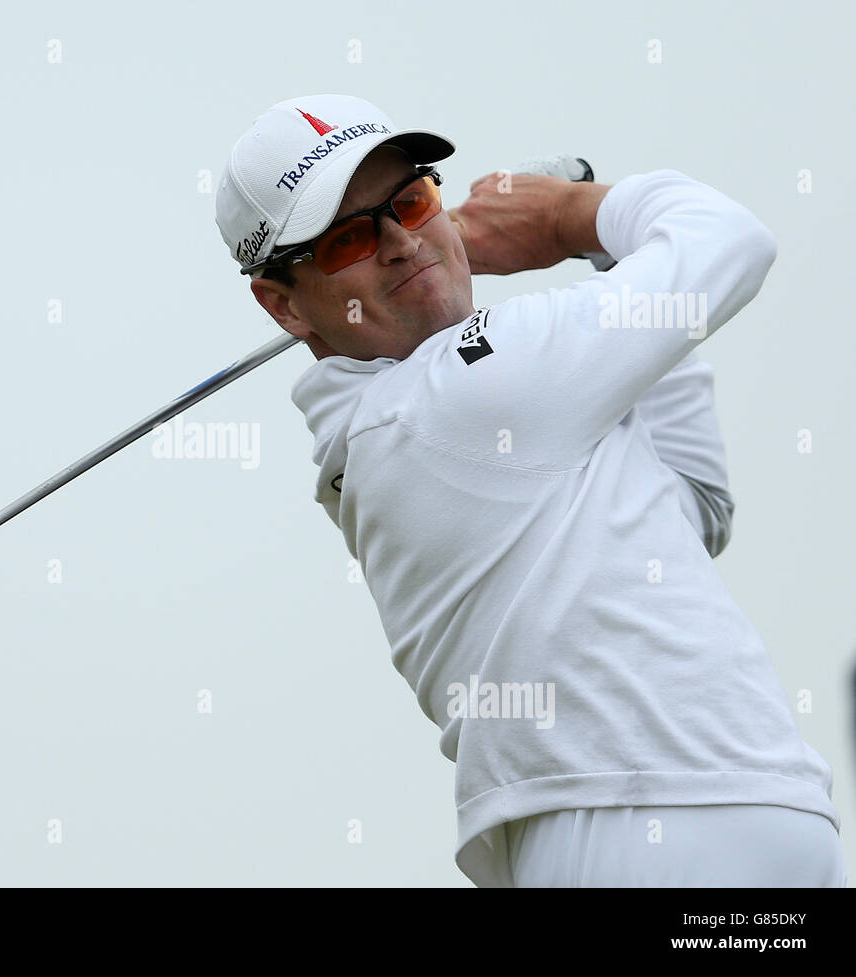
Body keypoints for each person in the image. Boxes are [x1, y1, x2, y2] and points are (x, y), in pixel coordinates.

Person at [214, 92, 846, 887]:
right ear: (282, 304)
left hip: (697, 822)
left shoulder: (431, 423)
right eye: (349, 239)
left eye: (412, 200)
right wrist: (574, 215)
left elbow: (693, 506)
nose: (403, 243)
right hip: (654, 824)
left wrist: (606, 254)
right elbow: (731, 240)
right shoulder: (463, 392)